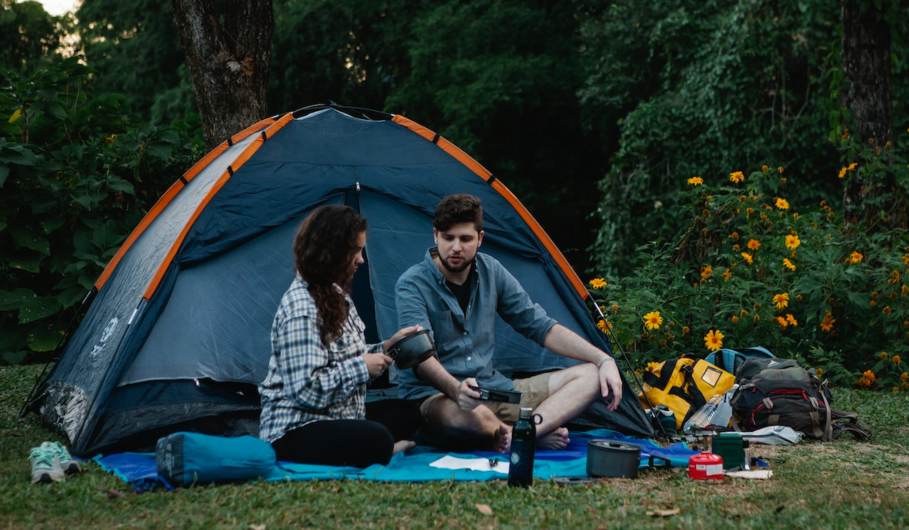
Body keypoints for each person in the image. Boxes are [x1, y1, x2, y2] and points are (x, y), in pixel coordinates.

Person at [395, 194, 622, 451]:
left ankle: (516, 435)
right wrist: (457, 390)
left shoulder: (492, 270)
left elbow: (539, 325)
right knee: (459, 417)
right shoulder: (412, 284)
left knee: (591, 376)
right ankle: (525, 435)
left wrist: (603, 359)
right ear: (436, 235)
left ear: (480, 238)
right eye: (448, 238)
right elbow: (421, 359)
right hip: (441, 397)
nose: (456, 247)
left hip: (494, 389)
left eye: (465, 239)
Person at [259, 205, 420, 467]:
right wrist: (361, 368)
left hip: (339, 416)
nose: (361, 260)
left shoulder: (334, 293)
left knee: (409, 412)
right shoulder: (302, 309)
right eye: (356, 250)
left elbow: (348, 355)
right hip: (296, 429)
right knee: (377, 438)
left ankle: (376, 446)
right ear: (332, 252)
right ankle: (383, 449)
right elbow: (306, 391)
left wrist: (386, 347)